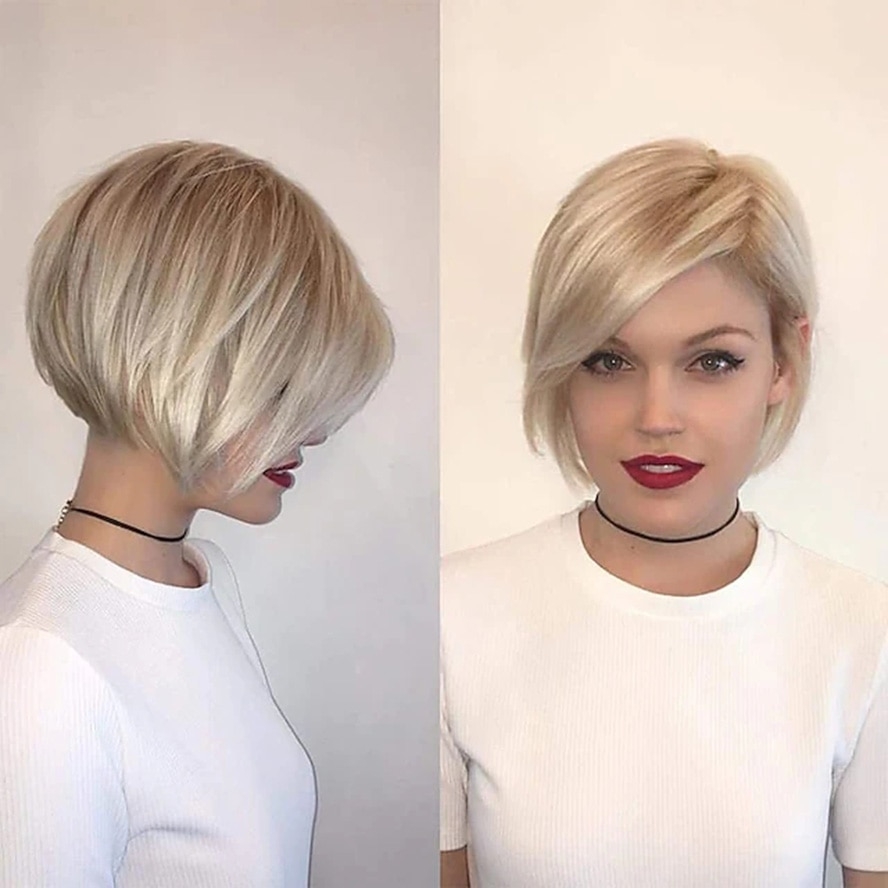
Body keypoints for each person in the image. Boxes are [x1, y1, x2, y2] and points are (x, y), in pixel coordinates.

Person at [440, 139, 888, 888]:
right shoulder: (453, 618)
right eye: (608, 361)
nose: (656, 417)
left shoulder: (862, 634)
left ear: (783, 362)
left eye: (712, 361)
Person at [0, 140, 393, 886]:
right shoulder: (40, 671)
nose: (314, 432)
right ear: (163, 358)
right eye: (281, 388)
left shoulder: (198, 578)